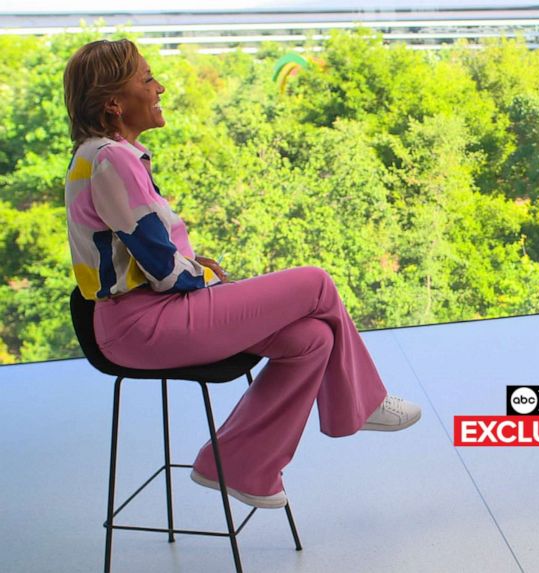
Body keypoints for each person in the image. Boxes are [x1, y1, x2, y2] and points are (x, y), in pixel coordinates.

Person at [63, 39, 421, 509]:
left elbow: (150, 252)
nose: (159, 88)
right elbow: (164, 267)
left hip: (150, 314)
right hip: (143, 324)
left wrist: (191, 270)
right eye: (147, 79)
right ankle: (362, 401)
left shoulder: (104, 155)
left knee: (312, 338)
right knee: (315, 282)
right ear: (114, 102)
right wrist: (202, 278)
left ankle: (236, 464)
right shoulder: (112, 159)